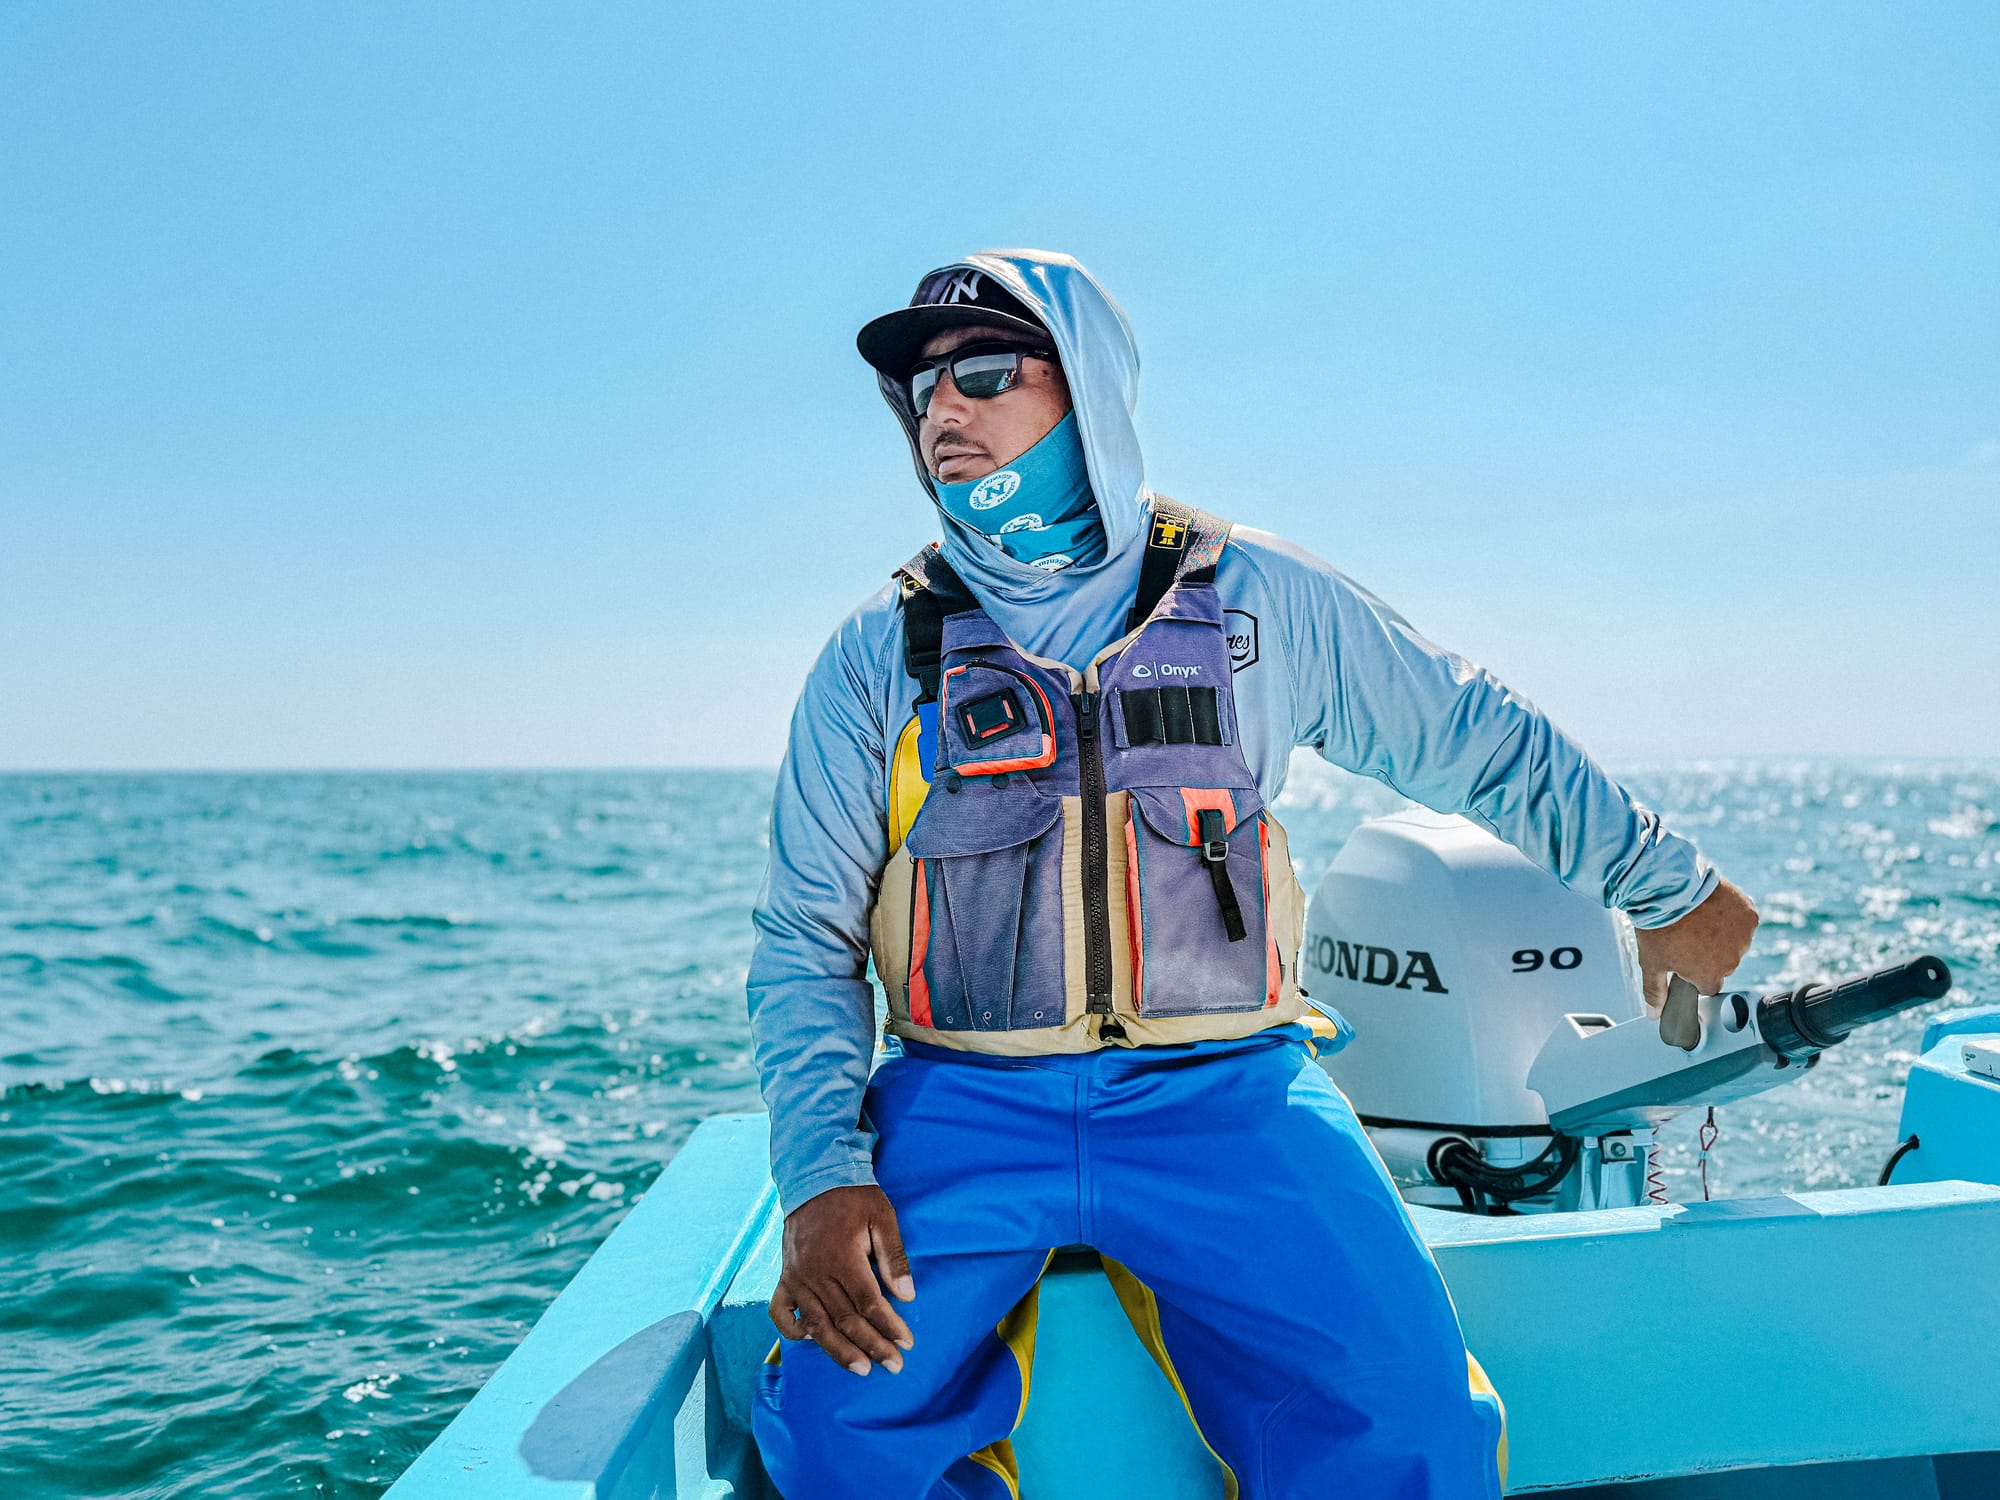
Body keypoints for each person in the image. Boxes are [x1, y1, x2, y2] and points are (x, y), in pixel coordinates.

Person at [745, 249, 1759, 1499]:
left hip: (1228, 1091)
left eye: (986, 373)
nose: (941, 412)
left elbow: (1468, 732)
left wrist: (1665, 886)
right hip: (964, 1103)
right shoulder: (876, 656)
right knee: (836, 1434)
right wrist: (824, 1178)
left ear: (1092, 391)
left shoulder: (1249, 600)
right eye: (919, 395)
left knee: (1405, 1424)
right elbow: (804, 940)